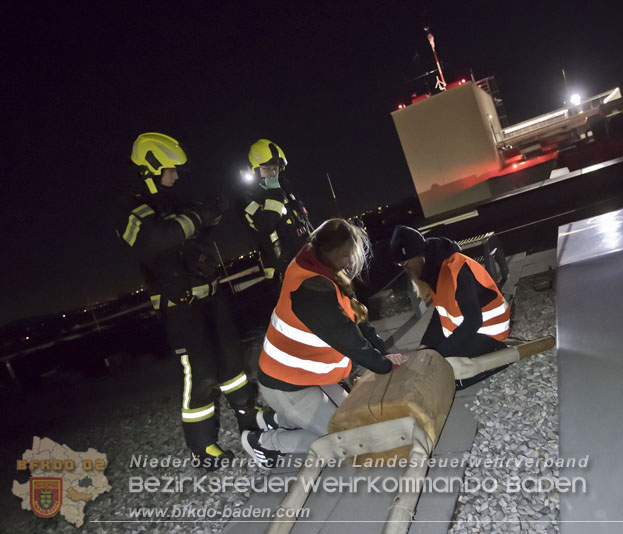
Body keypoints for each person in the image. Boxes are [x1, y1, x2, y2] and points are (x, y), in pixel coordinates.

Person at [118, 132, 265, 469]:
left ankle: (248, 416)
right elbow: (154, 240)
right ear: (151, 168)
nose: (176, 176)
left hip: (211, 296)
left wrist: (210, 214)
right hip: (179, 308)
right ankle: (202, 446)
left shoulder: (169, 204)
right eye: (171, 170)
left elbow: (190, 235)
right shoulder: (130, 209)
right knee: (200, 374)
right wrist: (198, 217)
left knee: (232, 362)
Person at [241, 219, 407, 467]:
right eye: (346, 255)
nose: (350, 262)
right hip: (285, 385)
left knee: (355, 419)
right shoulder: (310, 290)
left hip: (307, 376)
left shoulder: (321, 270)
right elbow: (348, 339)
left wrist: (383, 353)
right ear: (331, 253)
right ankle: (263, 442)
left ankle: (276, 419)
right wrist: (382, 365)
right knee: (346, 440)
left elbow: (356, 321)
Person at [388, 225, 511, 389]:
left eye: (404, 262)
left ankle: (498, 355)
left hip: (489, 330)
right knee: (431, 364)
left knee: (448, 376)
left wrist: (440, 354)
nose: (404, 268)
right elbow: (440, 313)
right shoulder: (432, 269)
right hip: (471, 330)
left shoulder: (455, 269)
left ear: (417, 256)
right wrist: (425, 346)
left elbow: (473, 321)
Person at [242, 139, 312, 283]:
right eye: (267, 168)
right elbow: (266, 225)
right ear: (254, 170)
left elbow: (305, 225)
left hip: (308, 263)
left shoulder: (286, 192)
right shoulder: (249, 200)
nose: (273, 173)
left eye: (276, 168)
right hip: (284, 275)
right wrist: (274, 193)